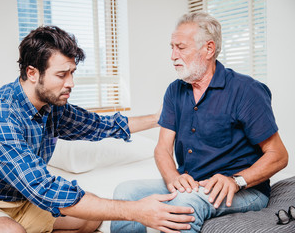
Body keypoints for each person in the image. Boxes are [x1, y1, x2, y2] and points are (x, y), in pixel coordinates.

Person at [0, 26, 195, 233]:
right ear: (32, 72)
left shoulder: (52, 106)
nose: (70, 83)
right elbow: (44, 189)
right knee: (9, 231)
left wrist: (163, 117)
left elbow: (104, 125)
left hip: (16, 201)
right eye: (62, 75)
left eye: (72, 73)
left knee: (87, 221)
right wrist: (135, 210)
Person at [111, 12, 289, 233]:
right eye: (172, 47)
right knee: (125, 193)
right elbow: (163, 149)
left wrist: (236, 181)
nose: (173, 55)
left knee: (183, 206)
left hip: (244, 190)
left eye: (181, 47)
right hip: (193, 183)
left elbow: (278, 155)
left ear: (209, 49)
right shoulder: (174, 90)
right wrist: (172, 178)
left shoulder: (246, 90)